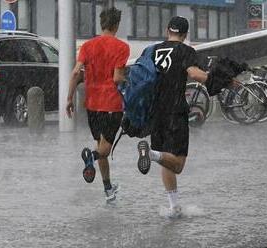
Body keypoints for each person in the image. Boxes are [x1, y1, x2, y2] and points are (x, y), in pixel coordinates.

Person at [136, 16, 238, 218]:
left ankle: (173, 207)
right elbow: (195, 74)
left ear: (167, 30)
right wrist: (224, 81)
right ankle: (151, 154)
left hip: (155, 112)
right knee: (178, 164)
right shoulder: (185, 51)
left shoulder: (153, 50)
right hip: (175, 111)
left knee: (167, 157)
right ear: (184, 34)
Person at [66, 7, 130, 203]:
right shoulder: (121, 47)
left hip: (92, 105)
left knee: (101, 146)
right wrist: (129, 81)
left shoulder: (87, 46)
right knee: (103, 151)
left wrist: (69, 99)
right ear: (116, 25)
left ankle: (108, 189)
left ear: (101, 23)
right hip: (111, 104)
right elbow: (118, 78)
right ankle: (89, 158)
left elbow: (76, 72)